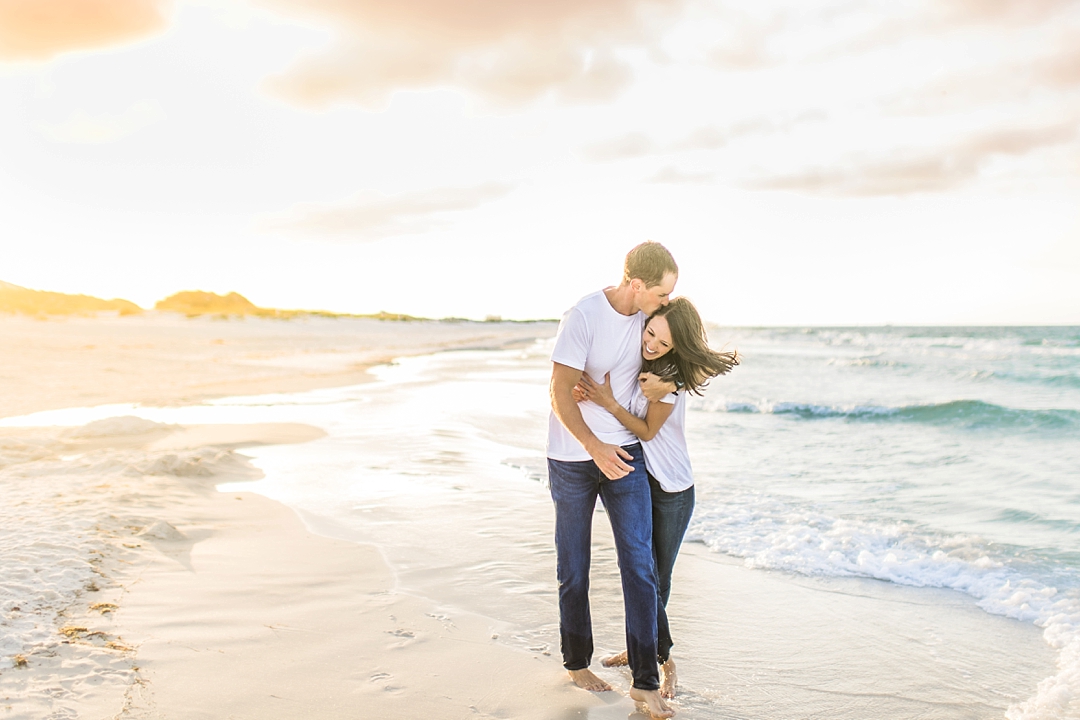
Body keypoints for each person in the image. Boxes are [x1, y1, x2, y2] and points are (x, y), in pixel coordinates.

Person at [575, 297, 738, 699]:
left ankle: (665, 662)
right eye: (650, 333)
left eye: (663, 342)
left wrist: (608, 402)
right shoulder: (643, 362)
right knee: (639, 572)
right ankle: (639, 651)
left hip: (672, 491)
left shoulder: (667, 378)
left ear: (677, 346)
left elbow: (647, 433)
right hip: (641, 481)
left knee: (653, 578)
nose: (652, 344)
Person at [547, 241, 679, 719]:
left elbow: (677, 353)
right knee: (574, 565)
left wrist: (673, 383)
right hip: (572, 458)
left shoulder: (651, 323)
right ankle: (577, 663)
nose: (666, 303)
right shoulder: (583, 316)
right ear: (637, 284)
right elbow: (559, 393)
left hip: (626, 455)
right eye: (662, 294)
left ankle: (644, 683)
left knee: (639, 567)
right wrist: (593, 447)